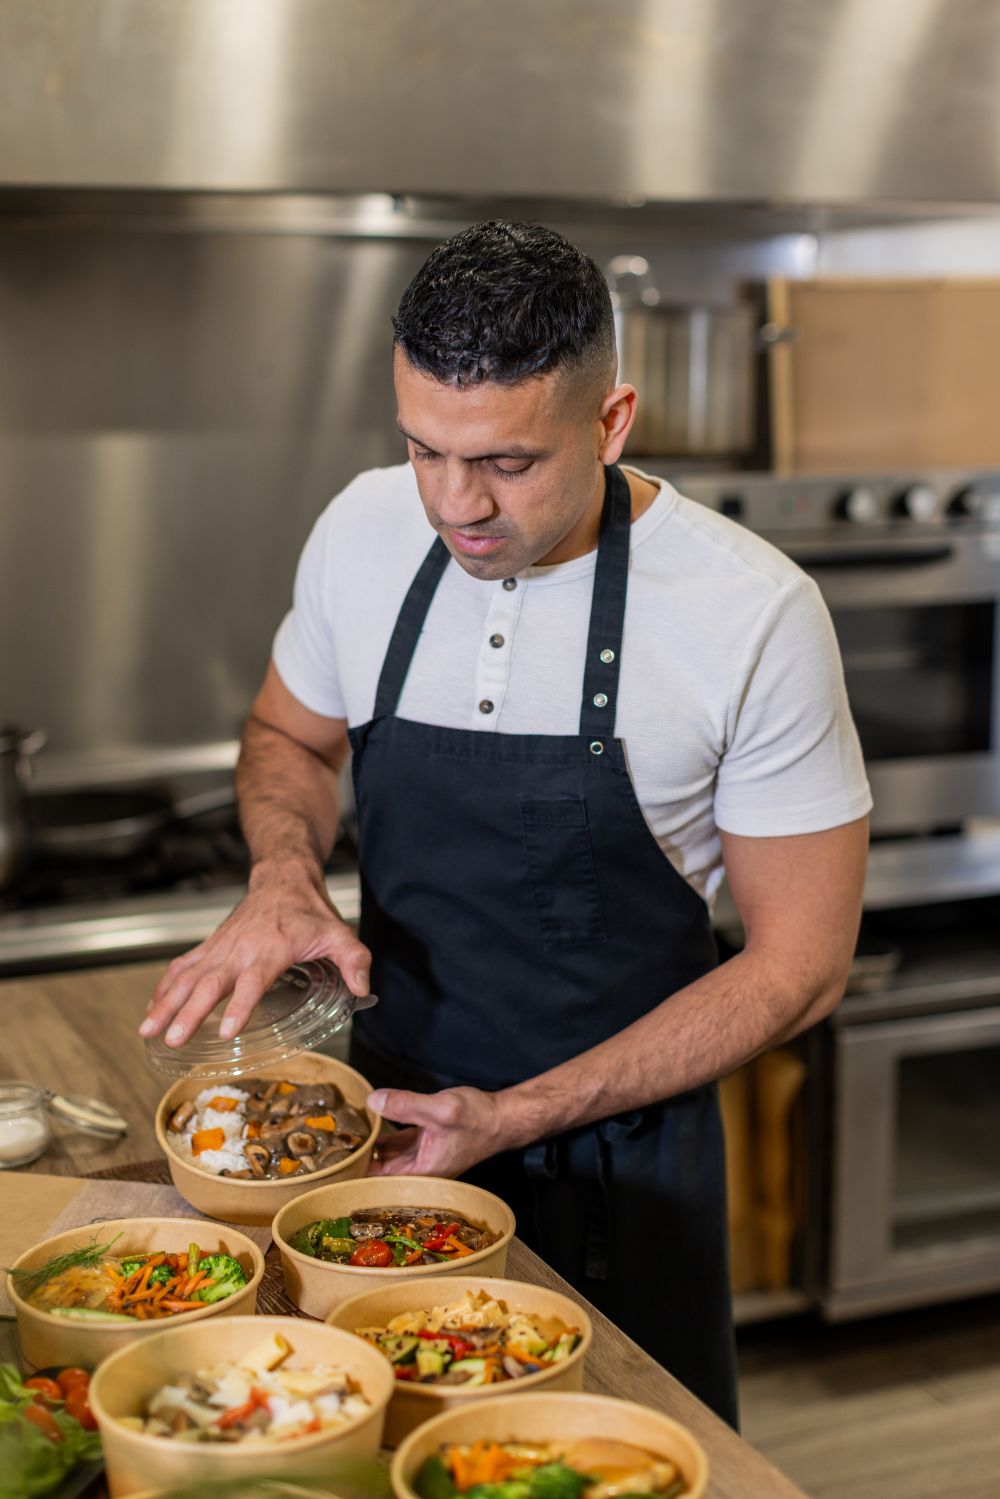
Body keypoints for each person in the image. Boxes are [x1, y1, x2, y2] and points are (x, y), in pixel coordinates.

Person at [142, 220, 870, 1426]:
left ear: (611, 419)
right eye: (424, 449)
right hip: (376, 1143)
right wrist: (284, 872)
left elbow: (802, 967)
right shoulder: (362, 532)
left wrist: (523, 1112)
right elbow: (286, 738)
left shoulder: (752, 614)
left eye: (507, 463)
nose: (454, 504)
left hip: (616, 1166)